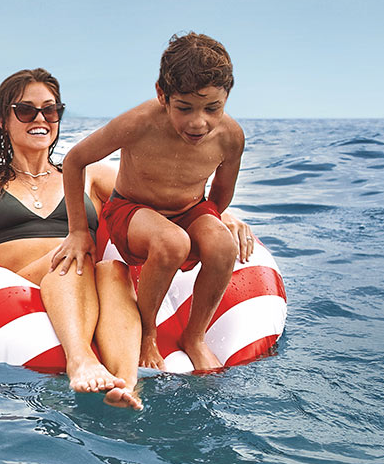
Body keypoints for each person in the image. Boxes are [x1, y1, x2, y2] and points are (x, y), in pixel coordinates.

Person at [0, 68, 252, 410]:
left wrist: (218, 217)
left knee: (113, 269)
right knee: (74, 256)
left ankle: (127, 384)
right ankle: (80, 359)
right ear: (4, 120)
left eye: (50, 111)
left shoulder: (90, 176)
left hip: (85, 274)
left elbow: (163, 198)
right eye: (26, 110)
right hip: (18, 279)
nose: (40, 119)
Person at [51, 33, 248, 373]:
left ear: (226, 98)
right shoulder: (138, 124)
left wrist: (213, 223)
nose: (199, 122)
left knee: (222, 245)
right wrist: (79, 231)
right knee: (172, 241)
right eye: (184, 108)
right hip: (131, 211)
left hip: (189, 210)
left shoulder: (230, 137)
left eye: (212, 108)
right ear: (162, 94)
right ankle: (146, 331)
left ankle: (194, 337)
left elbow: (221, 192)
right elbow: (74, 161)